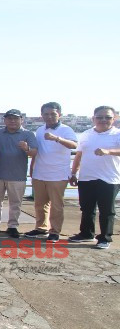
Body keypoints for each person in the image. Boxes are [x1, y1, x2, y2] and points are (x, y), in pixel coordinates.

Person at [68, 106, 120, 249]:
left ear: (113, 118)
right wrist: (73, 173)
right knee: (86, 208)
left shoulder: (117, 134)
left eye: (108, 117)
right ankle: (86, 233)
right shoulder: (86, 134)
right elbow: (78, 155)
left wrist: (109, 151)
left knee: (106, 210)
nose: (103, 120)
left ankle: (105, 238)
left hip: (109, 178)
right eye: (99, 117)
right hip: (86, 177)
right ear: (93, 119)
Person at [25, 102, 78, 242]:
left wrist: (57, 138)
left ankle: (54, 231)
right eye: (46, 114)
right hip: (40, 172)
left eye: (53, 114)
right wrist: (32, 169)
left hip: (58, 174)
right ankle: (41, 228)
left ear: (59, 114)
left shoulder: (66, 129)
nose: (49, 117)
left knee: (56, 205)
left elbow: (74, 145)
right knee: (39, 204)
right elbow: (37, 151)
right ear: (41, 115)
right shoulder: (40, 129)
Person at [0, 109, 38, 238]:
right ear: (5, 120)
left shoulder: (29, 134)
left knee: (15, 203)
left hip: (17, 175)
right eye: (9, 118)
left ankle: (13, 226)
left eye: (15, 118)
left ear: (21, 120)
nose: (12, 121)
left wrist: (27, 148)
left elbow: (34, 152)